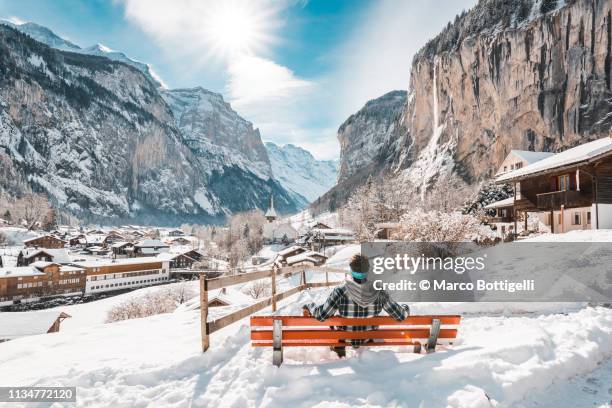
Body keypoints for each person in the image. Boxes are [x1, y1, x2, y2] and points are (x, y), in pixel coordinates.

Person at [303, 253, 410, 358]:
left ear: (351, 270)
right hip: (369, 337)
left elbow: (322, 315)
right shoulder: (379, 291)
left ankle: (339, 347)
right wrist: (406, 308)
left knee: (333, 321)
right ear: (367, 271)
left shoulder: (340, 291)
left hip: (345, 337)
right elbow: (400, 315)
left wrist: (311, 306)